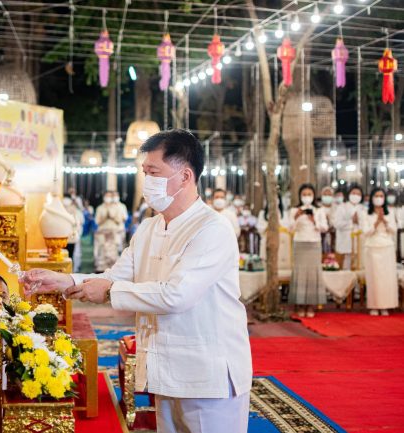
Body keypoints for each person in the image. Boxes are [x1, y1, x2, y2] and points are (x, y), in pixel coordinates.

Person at [23, 129, 252, 433]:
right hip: (165, 369)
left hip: (207, 374)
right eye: (145, 173)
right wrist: (63, 280)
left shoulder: (212, 229)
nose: (147, 181)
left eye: (154, 172)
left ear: (185, 176)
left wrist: (109, 290)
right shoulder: (149, 228)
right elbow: (115, 277)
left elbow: (176, 296)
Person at [288, 184, 328, 318]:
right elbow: (289, 229)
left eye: (309, 194)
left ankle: (311, 304)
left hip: (314, 244)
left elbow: (324, 228)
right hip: (299, 243)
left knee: (312, 274)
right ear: (300, 196)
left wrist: (314, 220)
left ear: (313, 195)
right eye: (304, 194)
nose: (306, 197)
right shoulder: (294, 210)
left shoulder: (319, 210)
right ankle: (299, 304)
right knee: (300, 273)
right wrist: (296, 217)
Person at [362, 188, 399, 316]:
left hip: (387, 247)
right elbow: (366, 232)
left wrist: (384, 221)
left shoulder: (390, 212)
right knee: (374, 278)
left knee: (386, 278)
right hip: (372, 247)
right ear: (372, 198)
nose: (379, 198)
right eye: (376, 196)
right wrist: (377, 221)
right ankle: (374, 305)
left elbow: (394, 230)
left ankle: (386, 305)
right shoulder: (366, 213)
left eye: (381, 196)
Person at [94, 191, 127, 272]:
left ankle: (114, 271)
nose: (109, 198)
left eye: (110, 196)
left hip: (115, 233)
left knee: (114, 253)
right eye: (107, 196)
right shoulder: (100, 208)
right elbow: (97, 221)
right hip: (102, 233)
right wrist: (105, 217)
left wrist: (112, 217)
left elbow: (121, 220)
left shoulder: (117, 207)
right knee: (102, 253)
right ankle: (101, 270)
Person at [334, 185, 366, 269]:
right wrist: (351, 221)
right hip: (346, 240)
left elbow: (365, 224)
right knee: (347, 264)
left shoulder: (363, 208)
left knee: (359, 263)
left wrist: (359, 221)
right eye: (353, 193)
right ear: (349, 194)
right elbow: (337, 223)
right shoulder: (342, 207)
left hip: (359, 241)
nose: (356, 196)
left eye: (358, 194)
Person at [257, 193, 291, 269]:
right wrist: (270, 225)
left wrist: (278, 224)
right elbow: (260, 229)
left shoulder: (284, 214)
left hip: (281, 242)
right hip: (267, 241)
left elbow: (287, 228)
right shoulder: (262, 213)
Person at [63, 194, 85, 272]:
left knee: (72, 255)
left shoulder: (75, 211)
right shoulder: (60, 209)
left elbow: (79, 223)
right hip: (62, 236)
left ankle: (72, 271)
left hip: (72, 237)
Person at [320, 186, 336, 255]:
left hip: (334, 236)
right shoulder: (318, 208)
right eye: (325, 195)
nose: (327, 196)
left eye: (329, 195)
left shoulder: (337, 209)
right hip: (321, 236)